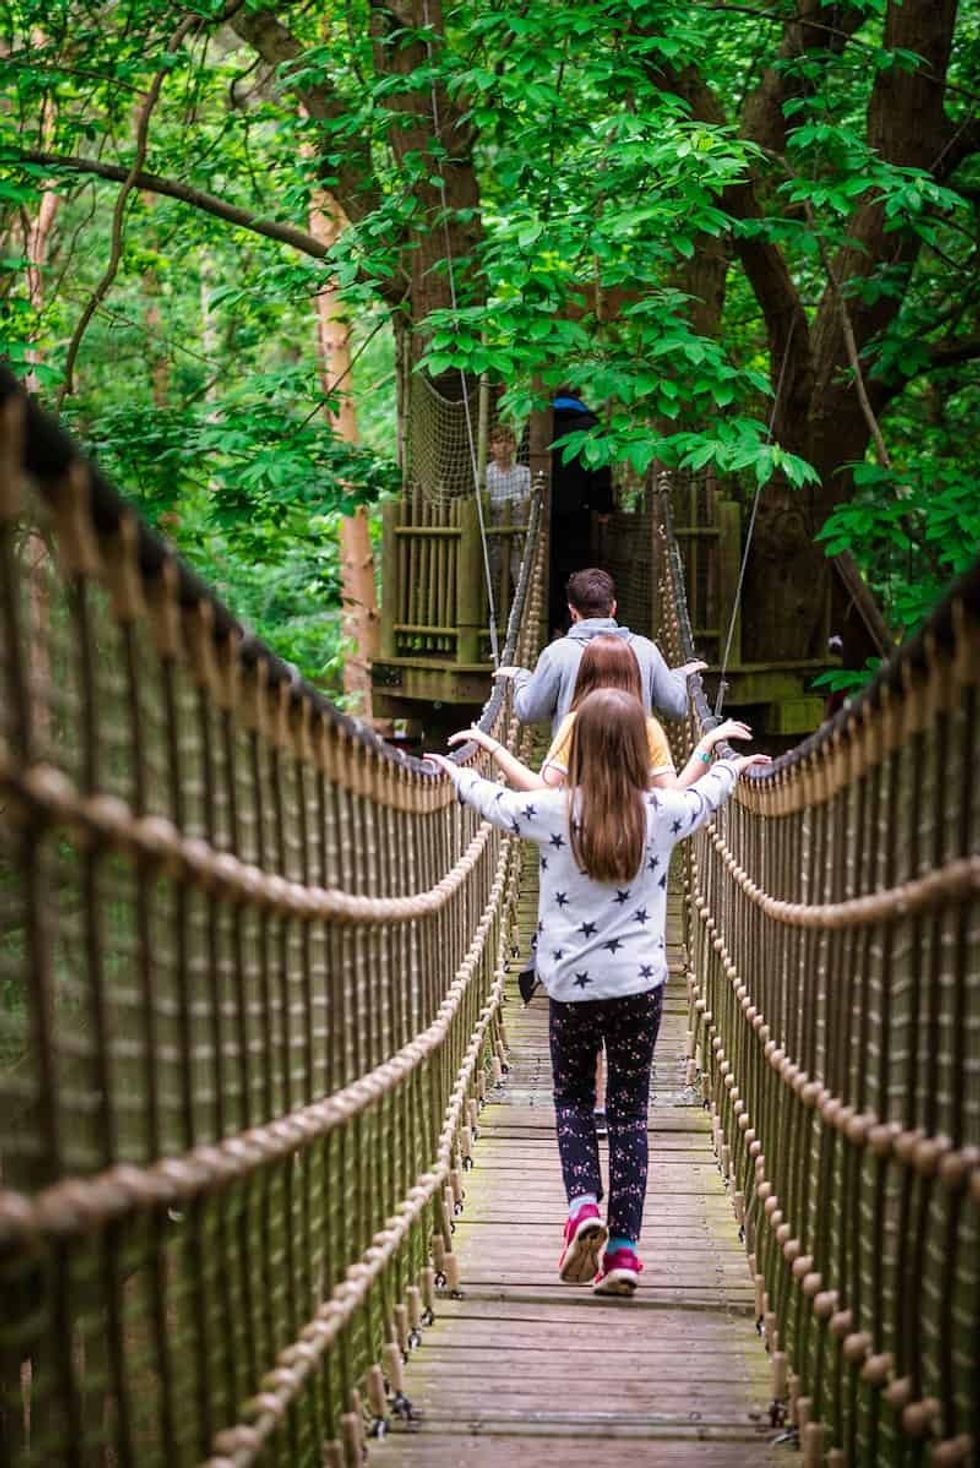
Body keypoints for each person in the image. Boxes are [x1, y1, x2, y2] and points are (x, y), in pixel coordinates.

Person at [427, 689, 770, 1296]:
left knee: (574, 1102)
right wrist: (730, 764)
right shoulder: (660, 812)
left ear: (577, 745)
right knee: (633, 1114)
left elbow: (495, 802)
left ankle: (584, 1204)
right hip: (640, 986)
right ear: (641, 748)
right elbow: (705, 797)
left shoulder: (555, 810)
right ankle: (624, 1253)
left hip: (569, 987)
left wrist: (456, 771)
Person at [449, 637, 753, 1133]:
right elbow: (683, 798)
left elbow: (526, 796)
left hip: (570, 959)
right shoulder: (649, 733)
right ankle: (623, 1197)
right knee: (631, 1106)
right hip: (641, 965)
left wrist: (479, 758)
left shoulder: (572, 732)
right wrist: (718, 761)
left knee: (571, 1083)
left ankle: (583, 1191)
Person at [496, 567, 705, 737]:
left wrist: (522, 678)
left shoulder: (557, 654)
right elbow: (677, 707)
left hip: (572, 774)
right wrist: (678, 675)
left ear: (572, 610)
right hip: (634, 776)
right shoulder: (645, 649)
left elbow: (528, 711)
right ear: (613, 607)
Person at [548, 390, 614, 634]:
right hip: (580, 512)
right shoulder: (590, 426)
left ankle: (550, 621)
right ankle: (573, 621)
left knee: (547, 567)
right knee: (576, 566)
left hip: (547, 512)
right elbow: (600, 470)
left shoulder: (541, 422)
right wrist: (604, 506)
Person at [485, 423, 531, 606]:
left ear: (513, 445)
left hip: (518, 535)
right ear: (491, 447)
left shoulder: (524, 473)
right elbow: (487, 502)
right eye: (498, 442)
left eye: (507, 441)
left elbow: (526, 501)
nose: (503, 446)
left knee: (519, 576)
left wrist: (503, 503)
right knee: (493, 577)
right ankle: (492, 613)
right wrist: (512, 502)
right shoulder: (486, 474)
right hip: (494, 535)